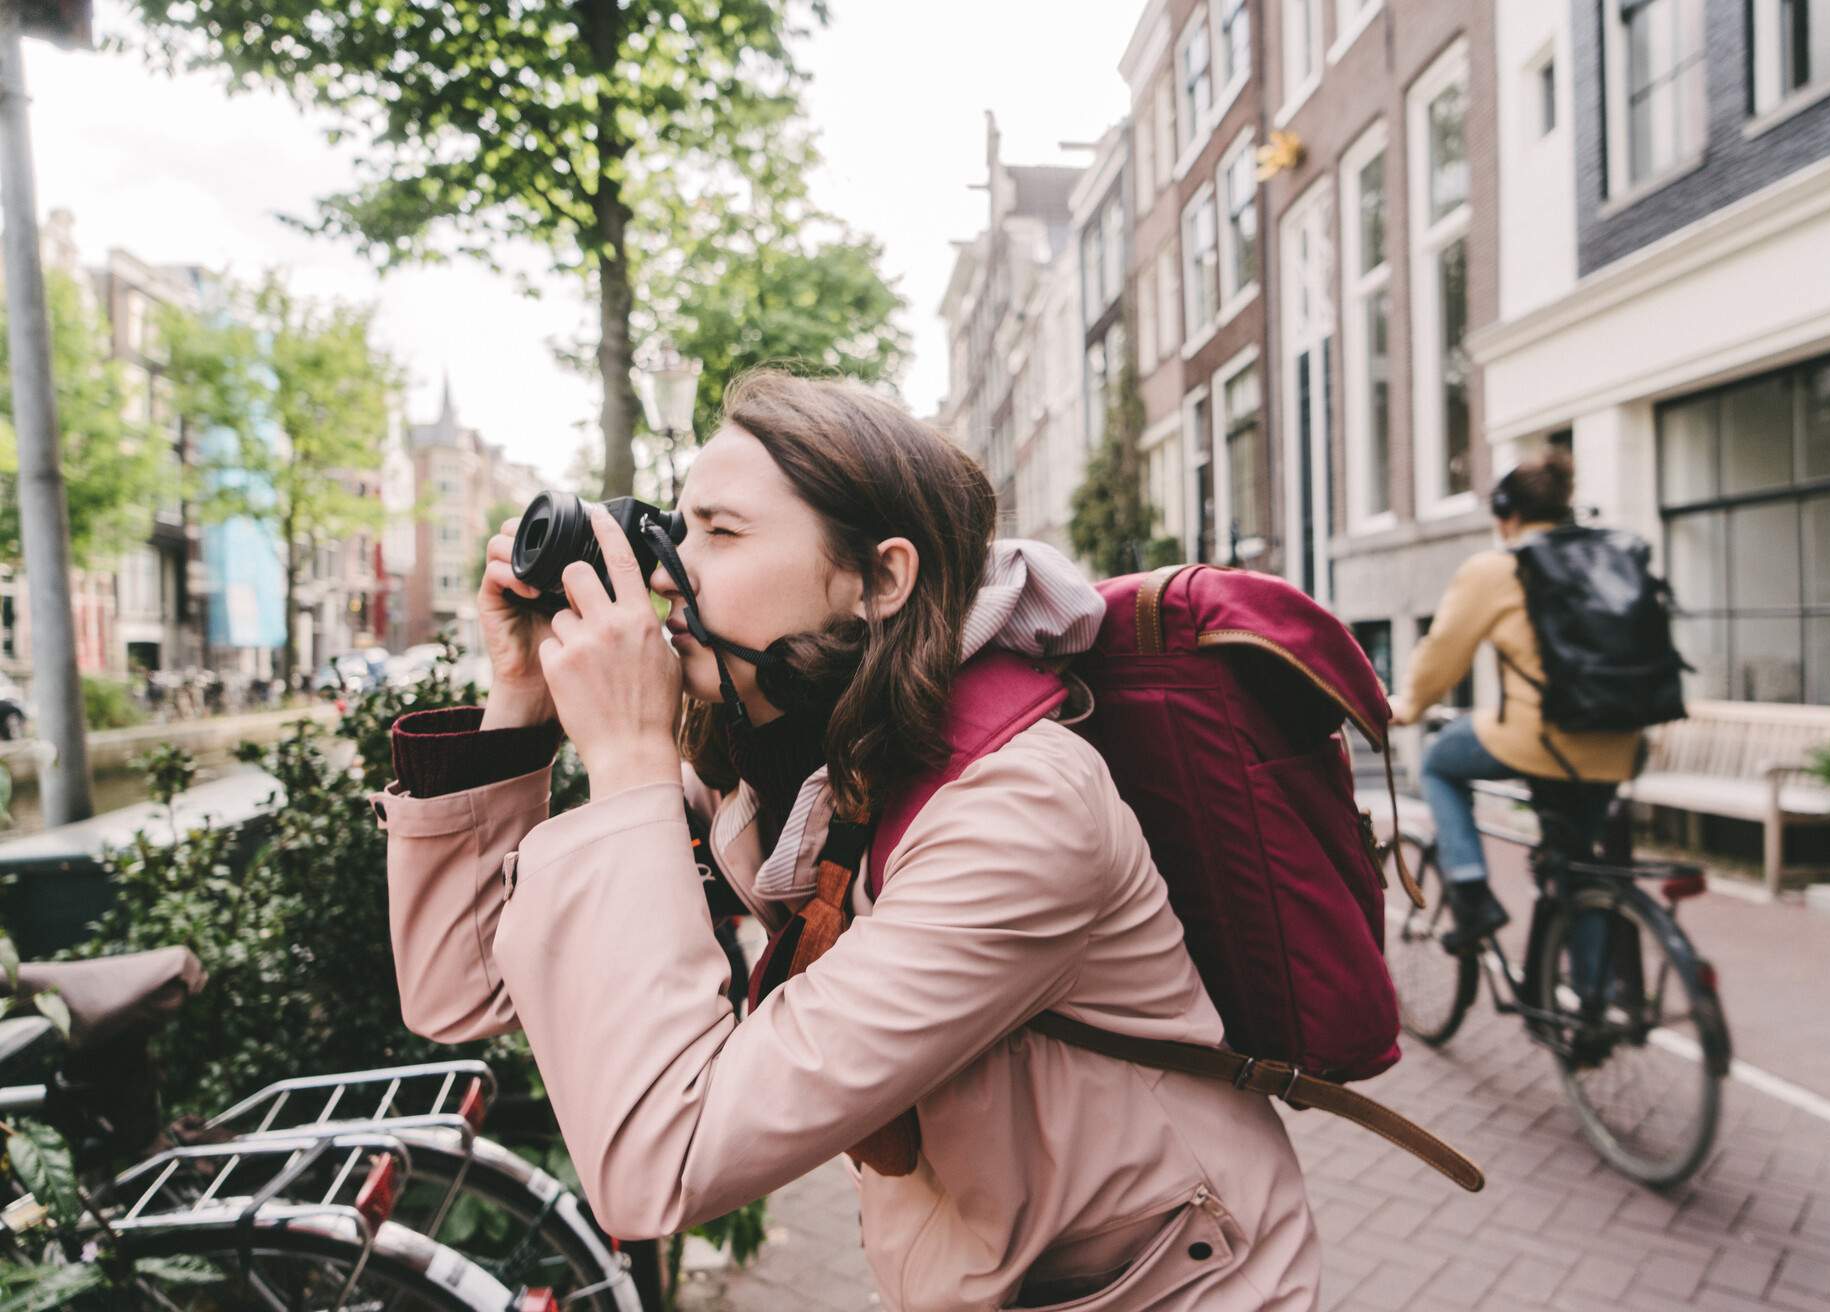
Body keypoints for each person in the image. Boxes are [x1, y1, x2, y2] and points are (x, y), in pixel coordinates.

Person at [375, 371, 1319, 1310]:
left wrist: (627, 757)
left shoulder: (1019, 811)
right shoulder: (780, 752)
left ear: (878, 579)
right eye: (678, 524)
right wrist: (519, 708)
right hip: (989, 1271)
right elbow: (462, 990)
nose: (666, 570)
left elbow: (663, 1164)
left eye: (722, 533)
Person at [1388, 451, 1640, 952]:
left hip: (1544, 739)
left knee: (1439, 761)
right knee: (1574, 864)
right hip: (1620, 741)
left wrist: (1408, 707)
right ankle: (1592, 1014)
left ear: (1510, 515)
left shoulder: (1497, 568)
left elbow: (1443, 653)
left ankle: (1471, 892)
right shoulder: (1612, 557)